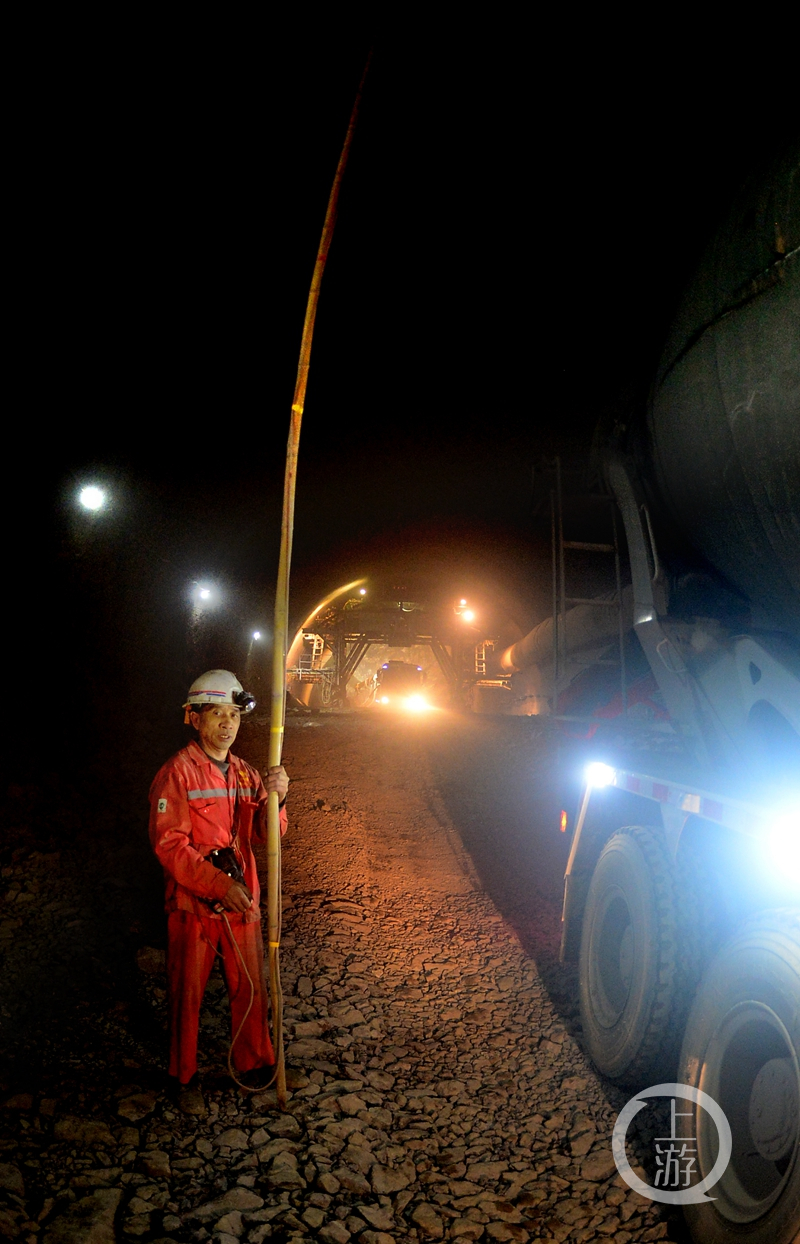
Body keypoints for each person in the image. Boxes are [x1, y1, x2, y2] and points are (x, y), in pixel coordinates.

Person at [148, 670, 289, 1092]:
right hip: (195, 905)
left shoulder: (247, 774)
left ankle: (256, 1066)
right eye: (216, 714)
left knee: (250, 988)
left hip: (241, 901)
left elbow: (270, 836)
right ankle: (183, 1078)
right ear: (195, 719)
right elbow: (170, 846)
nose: (227, 724)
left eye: (234, 715)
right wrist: (217, 885)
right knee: (187, 995)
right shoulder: (177, 774)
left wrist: (279, 797)